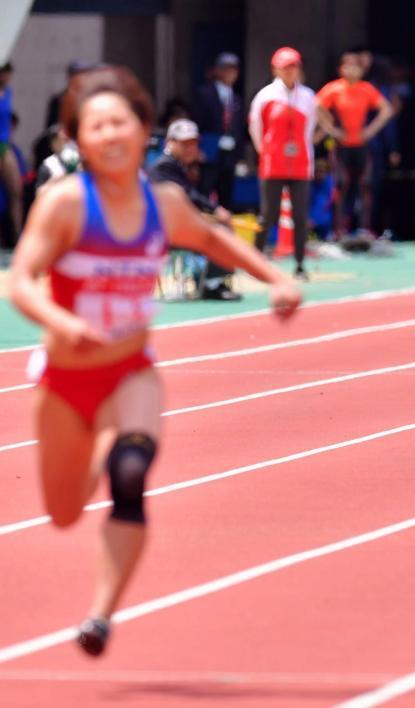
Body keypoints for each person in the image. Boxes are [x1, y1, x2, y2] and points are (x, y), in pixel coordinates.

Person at [8, 65, 301, 658]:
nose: (111, 134)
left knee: (132, 474)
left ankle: (100, 615)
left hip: (128, 372)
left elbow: (214, 240)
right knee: (64, 513)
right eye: (97, 126)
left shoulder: (161, 204)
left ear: (144, 129)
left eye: (122, 122)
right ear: (78, 139)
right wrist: (63, 323)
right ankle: (98, 444)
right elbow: (21, 280)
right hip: (66, 382)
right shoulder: (64, 204)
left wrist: (275, 278)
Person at [147, 119, 242, 300]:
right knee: (217, 231)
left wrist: (201, 167)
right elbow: (188, 195)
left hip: (178, 225)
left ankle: (213, 280)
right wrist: (215, 211)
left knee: (220, 228)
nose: (190, 148)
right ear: (170, 142)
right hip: (163, 231)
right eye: (184, 143)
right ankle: (211, 284)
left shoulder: (184, 166)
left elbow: (200, 192)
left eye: (193, 143)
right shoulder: (163, 166)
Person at [248, 46, 316, 278]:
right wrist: (265, 152)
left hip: (300, 165)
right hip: (272, 163)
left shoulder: (307, 96)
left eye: (294, 67)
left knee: (299, 216)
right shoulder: (265, 96)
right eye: (285, 67)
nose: (290, 71)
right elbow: (255, 127)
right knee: (268, 214)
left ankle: (299, 264)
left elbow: (310, 130)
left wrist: (306, 155)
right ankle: (255, 261)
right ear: (275, 69)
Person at [315, 50, 395, 238]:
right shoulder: (334, 88)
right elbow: (316, 106)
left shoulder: (366, 89)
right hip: (341, 146)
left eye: (356, 66)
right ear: (341, 68)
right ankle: (338, 230)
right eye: (348, 65)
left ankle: (363, 229)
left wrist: (370, 131)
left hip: (361, 145)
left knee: (365, 185)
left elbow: (386, 110)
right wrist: (332, 130)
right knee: (341, 185)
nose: (352, 70)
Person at [193, 52, 245, 211]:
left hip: (229, 153)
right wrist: (198, 149)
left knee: (226, 194)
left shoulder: (236, 98)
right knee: (205, 191)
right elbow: (197, 123)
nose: (231, 73)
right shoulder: (204, 93)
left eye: (234, 69)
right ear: (217, 70)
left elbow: (239, 128)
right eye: (226, 69)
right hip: (209, 151)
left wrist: (239, 155)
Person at [0, 63, 23, 237]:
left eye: (8, 73)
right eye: (4, 73)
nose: (6, 77)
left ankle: (18, 236)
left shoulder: (8, 92)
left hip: (4, 146)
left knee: (16, 190)